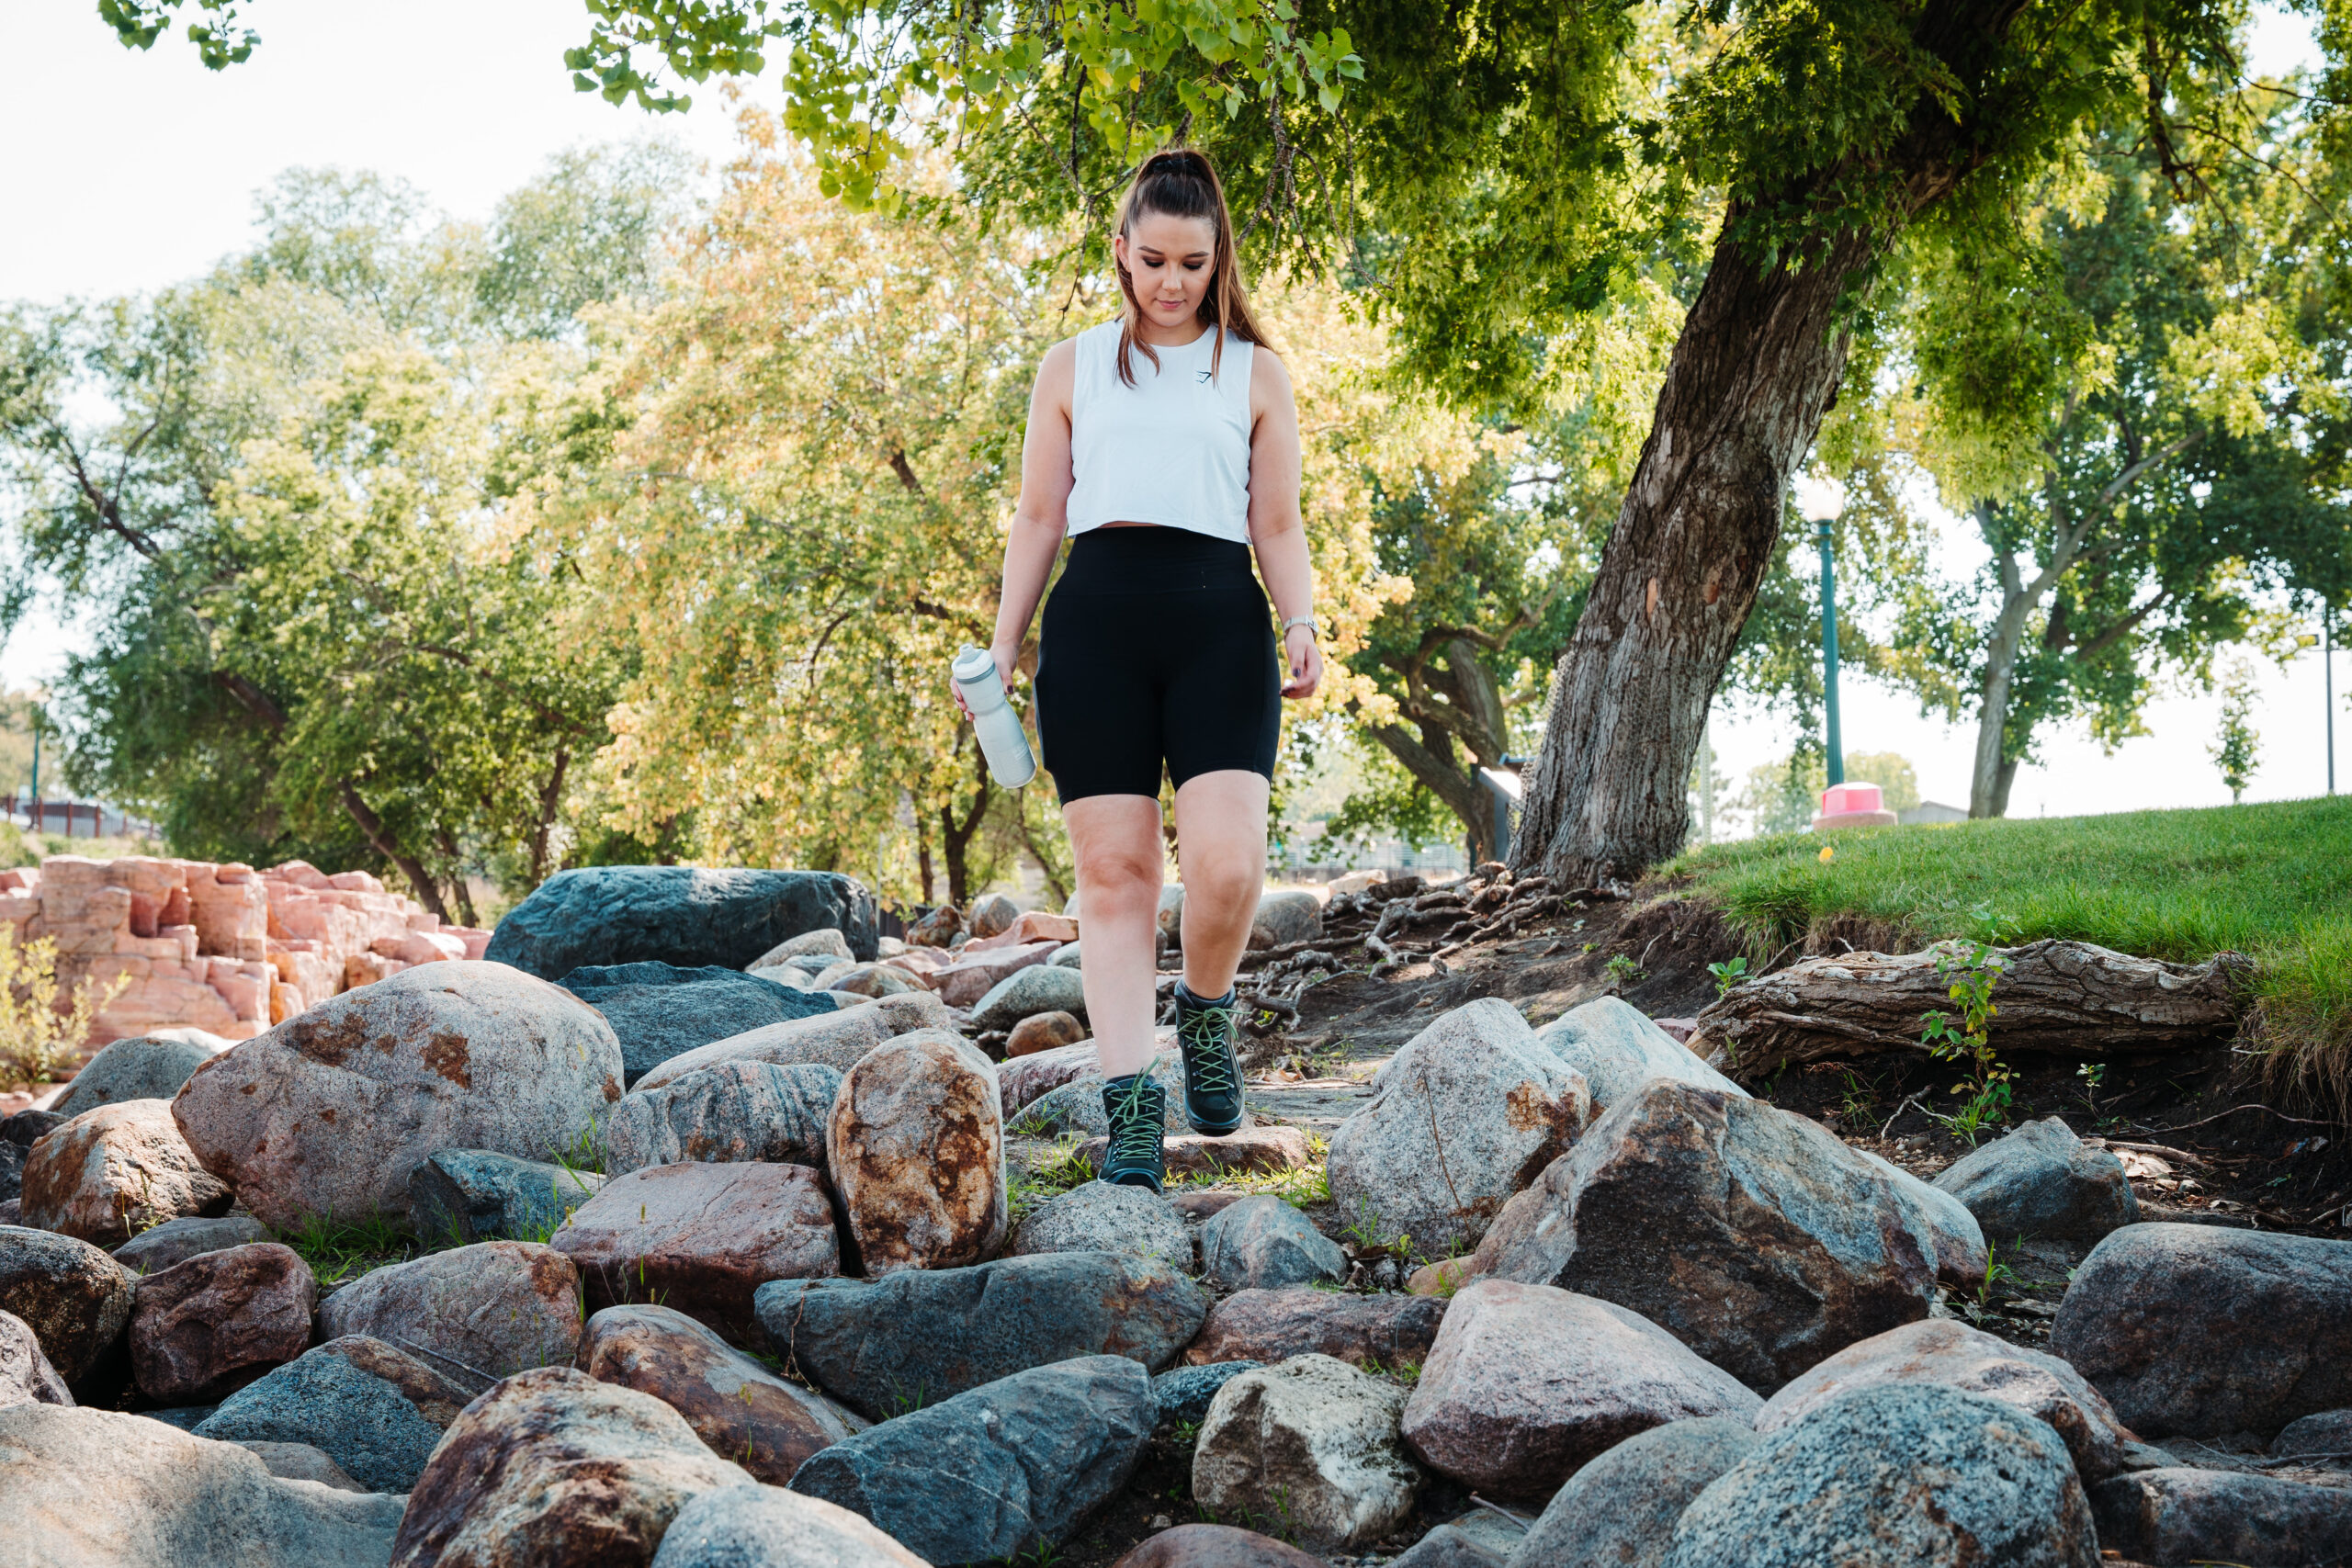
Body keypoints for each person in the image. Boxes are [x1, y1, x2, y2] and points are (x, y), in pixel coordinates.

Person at [956, 147, 1321, 1192]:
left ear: (1219, 262)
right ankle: (1131, 1109)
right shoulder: (1070, 366)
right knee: (1115, 881)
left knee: (1226, 869)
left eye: (1192, 264)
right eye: (1152, 260)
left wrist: (1300, 617)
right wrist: (999, 643)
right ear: (1120, 254)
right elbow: (1036, 516)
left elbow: (1278, 520)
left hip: (1219, 626)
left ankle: (1205, 1013)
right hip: (1095, 627)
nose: (1171, 282)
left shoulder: (1254, 373)